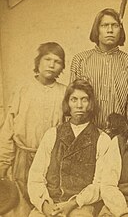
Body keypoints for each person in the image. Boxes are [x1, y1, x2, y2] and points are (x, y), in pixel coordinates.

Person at [0, 42, 66, 216]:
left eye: (57, 61)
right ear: (38, 62)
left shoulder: (65, 93)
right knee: (18, 206)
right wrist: (3, 163)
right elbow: (8, 129)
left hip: (52, 159)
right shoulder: (22, 90)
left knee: (46, 205)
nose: (52, 65)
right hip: (22, 159)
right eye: (47, 59)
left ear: (62, 67)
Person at [28, 79, 111, 217]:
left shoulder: (102, 139)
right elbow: (35, 177)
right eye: (74, 99)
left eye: (84, 100)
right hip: (51, 201)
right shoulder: (52, 134)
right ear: (67, 103)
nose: (79, 105)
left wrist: (72, 204)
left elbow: (100, 184)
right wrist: (45, 206)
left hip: (82, 204)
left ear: (91, 104)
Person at [70, 8, 128, 129]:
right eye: (104, 25)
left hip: (118, 135)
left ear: (121, 30)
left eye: (115, 26)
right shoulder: (80, 60)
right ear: (97, 30)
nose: (110, 30)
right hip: (85, 132)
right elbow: (71, 102)